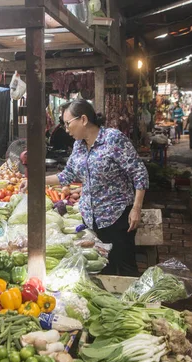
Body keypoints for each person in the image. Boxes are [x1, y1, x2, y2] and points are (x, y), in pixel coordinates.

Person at [44, 99, 149, 277]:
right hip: (90, 220)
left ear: (83, 119)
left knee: (125, 269)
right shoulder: (78, 145)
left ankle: (131, 302)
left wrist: (137, 208)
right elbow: (67, 174)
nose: (66, 129)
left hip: (116, 217)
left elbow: (139, 173)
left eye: (68, 123)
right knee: (99, 268)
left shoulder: (113, 139)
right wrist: (36, 180)